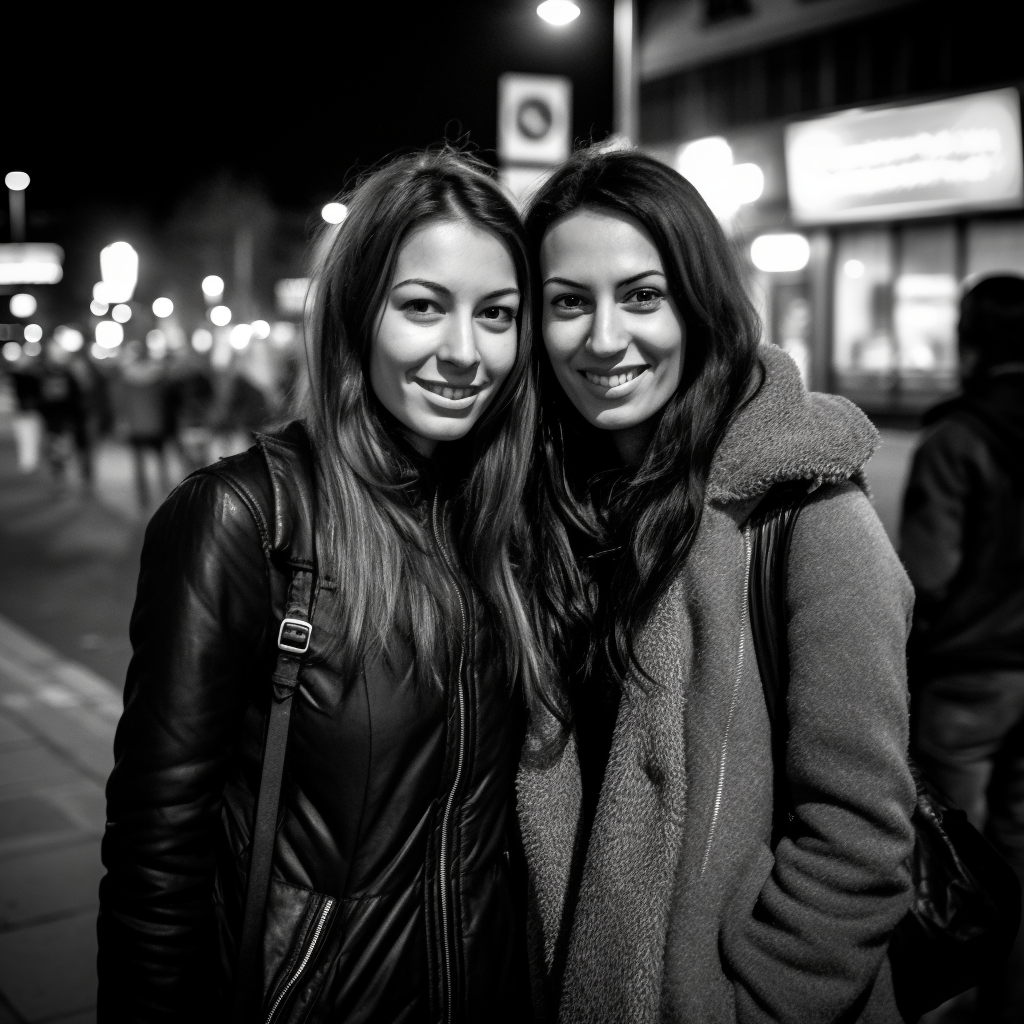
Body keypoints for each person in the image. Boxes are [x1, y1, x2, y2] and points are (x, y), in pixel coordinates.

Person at [97, 150, 545, 1023]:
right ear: (354, 314)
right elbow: (158, 850)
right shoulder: (241, 518)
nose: (465, 352)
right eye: (423, 307)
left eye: (498, 315)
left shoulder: (505, 518)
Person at [517, 147, 917, 1023]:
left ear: (699, 302)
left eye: (643, 296)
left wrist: (745, 1005)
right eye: (568, 303)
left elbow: (861, 844)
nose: (605, 338)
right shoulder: (539, 509)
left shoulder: (803, 511)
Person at [901, 275, 1024, 1023]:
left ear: (970, 343)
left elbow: (929, 575)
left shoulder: (959, 437)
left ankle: (952, 1008)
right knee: (1014, 850)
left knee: (949, 859)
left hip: (968, 681)